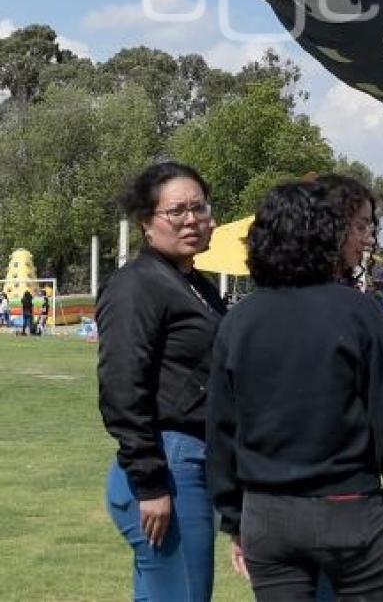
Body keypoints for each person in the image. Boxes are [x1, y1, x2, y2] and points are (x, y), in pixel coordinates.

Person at [206, 178, 383, 601]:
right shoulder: (358, 313)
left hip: (269, 513)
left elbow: (221, 431)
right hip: (348, 507)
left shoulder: (238, 322)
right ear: (329, 238)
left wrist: (234, 517)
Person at [96, 161, 225, 602]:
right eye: (177, 211)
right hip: (167, 466)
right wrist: (150, 483)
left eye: (199, 207)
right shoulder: (136, 285)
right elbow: (121, 386)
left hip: (193, 462)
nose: (192, 219)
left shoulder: (195, 285)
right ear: (147, 222)